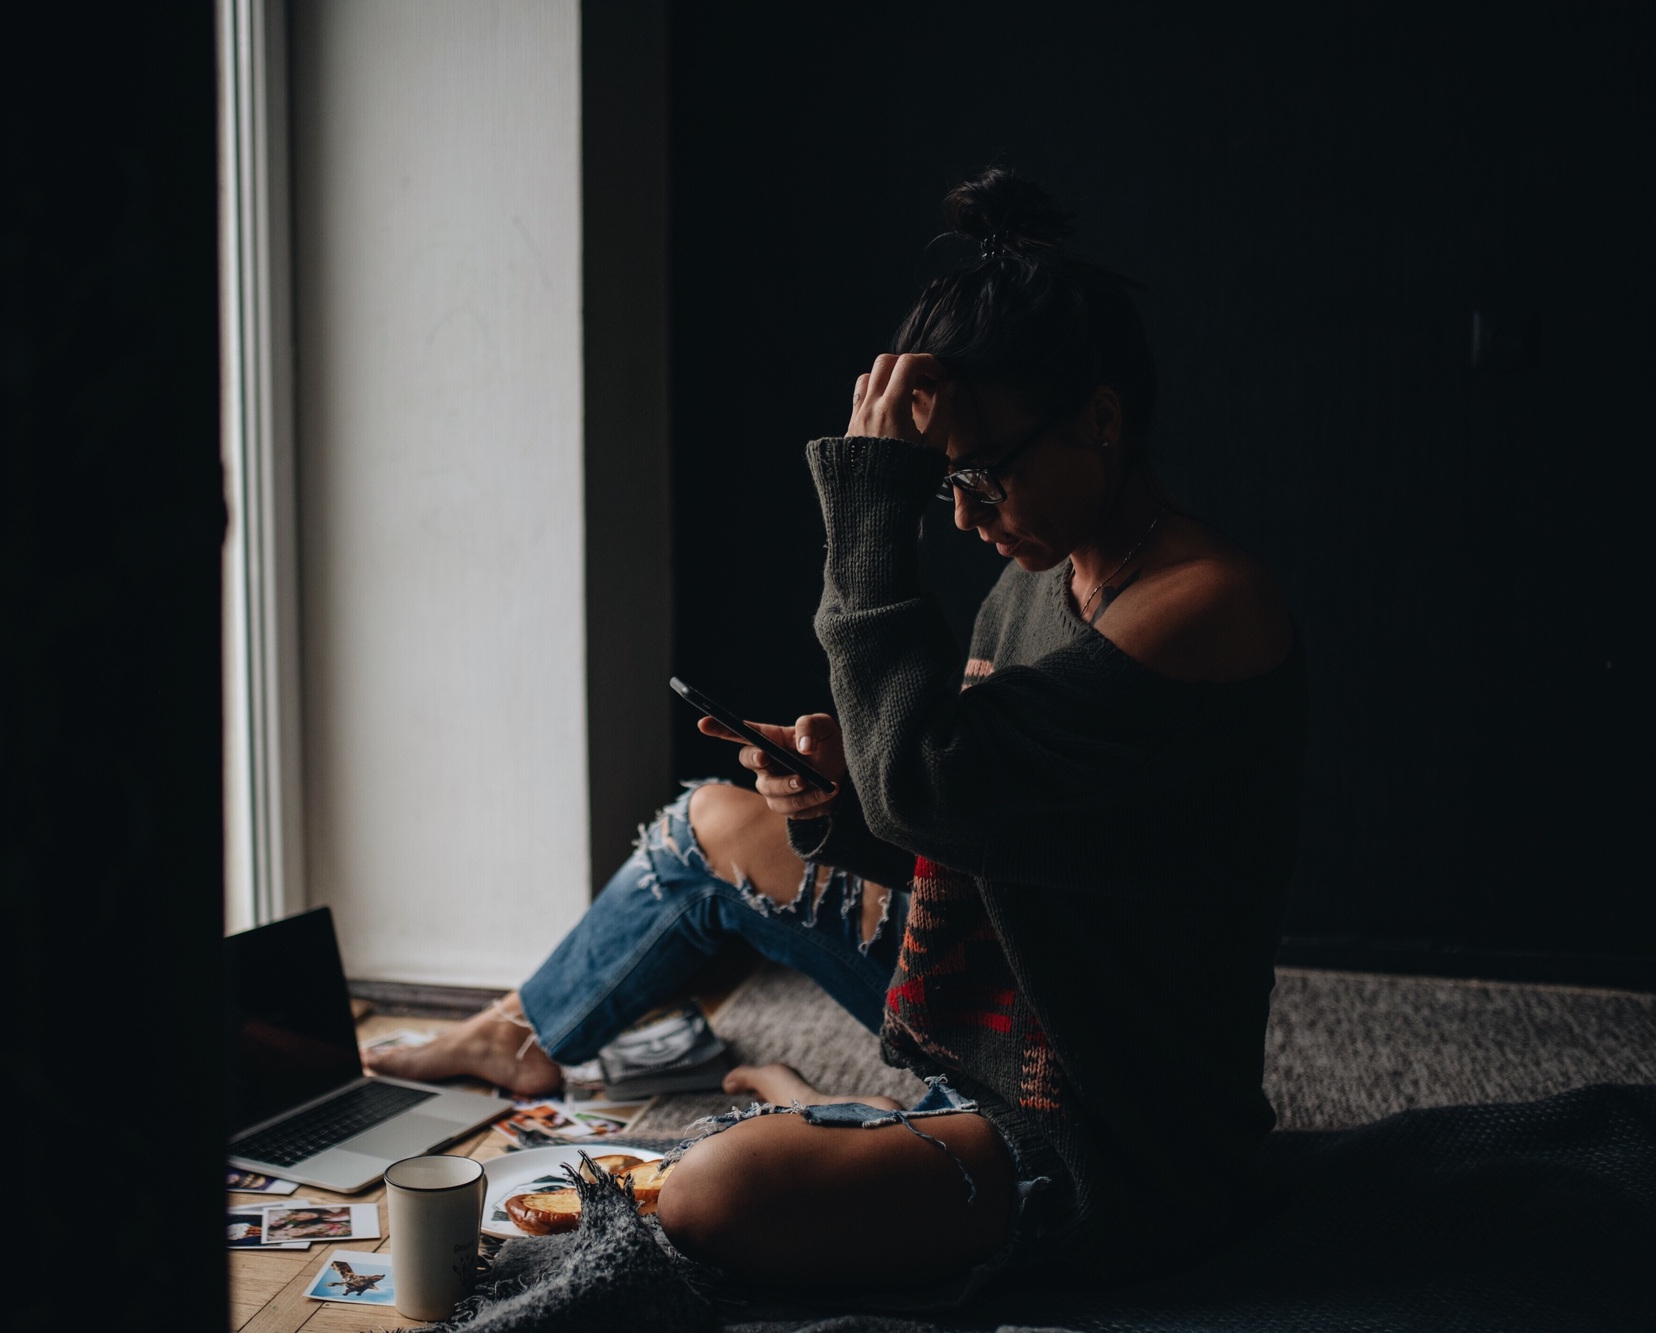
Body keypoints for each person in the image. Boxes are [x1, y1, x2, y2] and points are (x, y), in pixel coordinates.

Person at [368, 167, 1304, 1294]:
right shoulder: (1045, 574)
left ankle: (838, 1125)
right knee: (705, 825)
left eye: (977, 476)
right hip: (1013, 1004)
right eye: (938, 485)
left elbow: (933, 794)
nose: (961, 515)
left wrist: (870, 505)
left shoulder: (1206, 605)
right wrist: (837, 800)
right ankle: (521, 1033)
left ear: (1099, 419)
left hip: (1106, 1129)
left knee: (718, 1189)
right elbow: (979, 821)